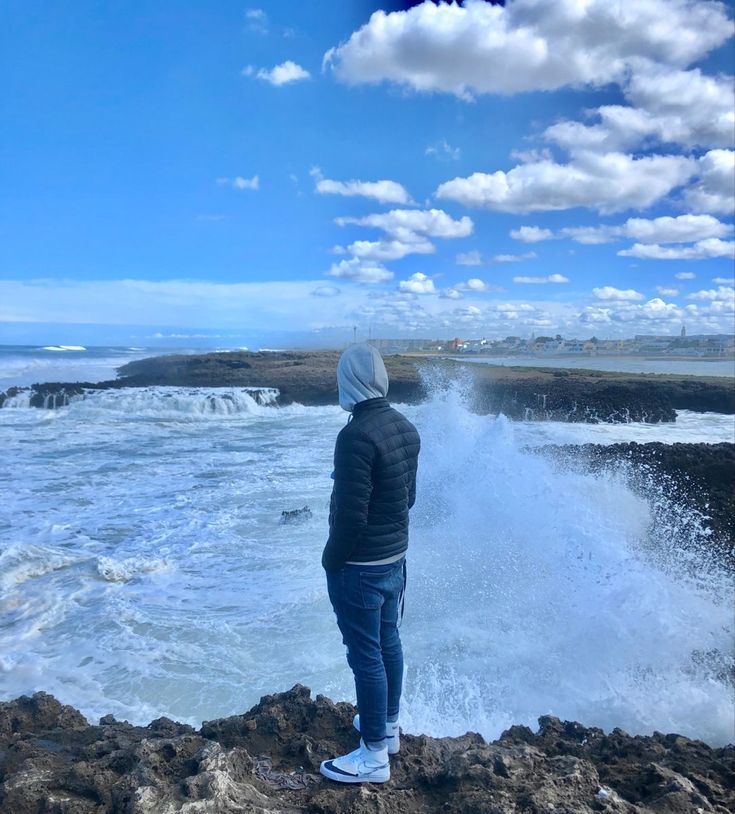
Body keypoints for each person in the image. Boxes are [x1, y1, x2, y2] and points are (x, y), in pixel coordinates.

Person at [319, 343, 421, 784]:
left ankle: (374, 756)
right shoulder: (404, 426)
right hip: (395, 560)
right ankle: (388, 729)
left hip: (360, 567)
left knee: (366, 658)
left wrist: (331, 561)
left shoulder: (355, 436)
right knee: (388, 643)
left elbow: (350, 517)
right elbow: (408, 498)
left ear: (350, 380)